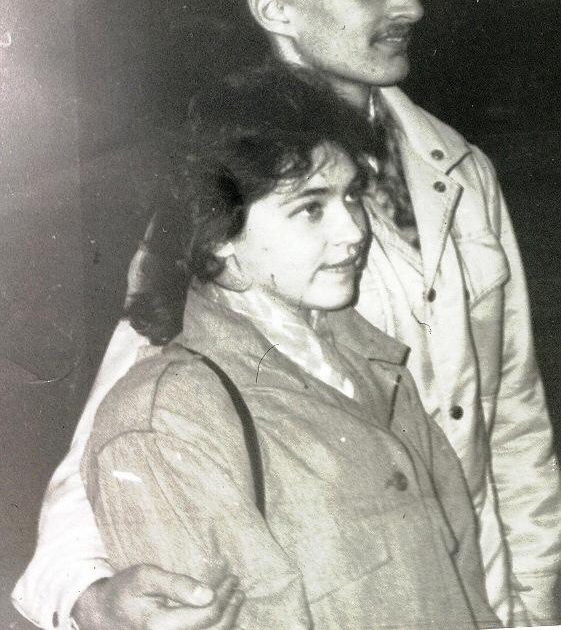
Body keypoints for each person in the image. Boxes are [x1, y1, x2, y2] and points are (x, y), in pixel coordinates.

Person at [13, 0, 560, 630]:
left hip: (479, 596)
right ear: (276, 8)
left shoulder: (460, 170)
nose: (410, 5)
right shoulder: (227, 198)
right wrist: (86, 593)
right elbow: (130, 420)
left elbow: (513, 417)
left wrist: (534, 606)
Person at [82, 66, 500, 630]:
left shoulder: (374, 365)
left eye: (351, 196)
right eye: (311, 207)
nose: (354, 230)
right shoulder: (170, 419)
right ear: (221, 234)